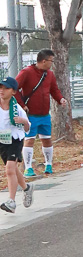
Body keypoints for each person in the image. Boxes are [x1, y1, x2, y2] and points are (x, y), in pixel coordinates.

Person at [15, 51, 61, 179]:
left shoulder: (49, 74)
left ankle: (48, 165)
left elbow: (54, 90)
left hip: (45, 114)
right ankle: (28, 167)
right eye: (51, 61)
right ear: (44, 61)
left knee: (47, 139)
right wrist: (22, 105)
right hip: (30, 115)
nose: (52, 63)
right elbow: (14, 89)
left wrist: (60, 99)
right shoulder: (26, 72)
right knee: (29, 140)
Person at [0, 79, 33, 210]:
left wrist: (23, 121)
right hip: (3, 140)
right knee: (13, 169)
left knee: (9, 169)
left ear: (13, 91)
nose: (2, 90)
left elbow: (27, 128)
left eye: (6, 88)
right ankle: (27, 188)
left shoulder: (17, 108)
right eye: (0, 87)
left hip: (15, 140)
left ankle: (11, 202)